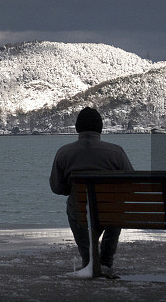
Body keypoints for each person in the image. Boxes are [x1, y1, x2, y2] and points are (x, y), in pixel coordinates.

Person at [49, 106, 134, 277]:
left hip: (80, 213)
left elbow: (58, 188)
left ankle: (88, 259)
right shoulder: (116, 152)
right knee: (116, 207)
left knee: (73, 206)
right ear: (100, 127)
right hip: (109, 213)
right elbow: (130, 185)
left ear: (77, 127)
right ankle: (106, 260)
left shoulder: (64, 152)